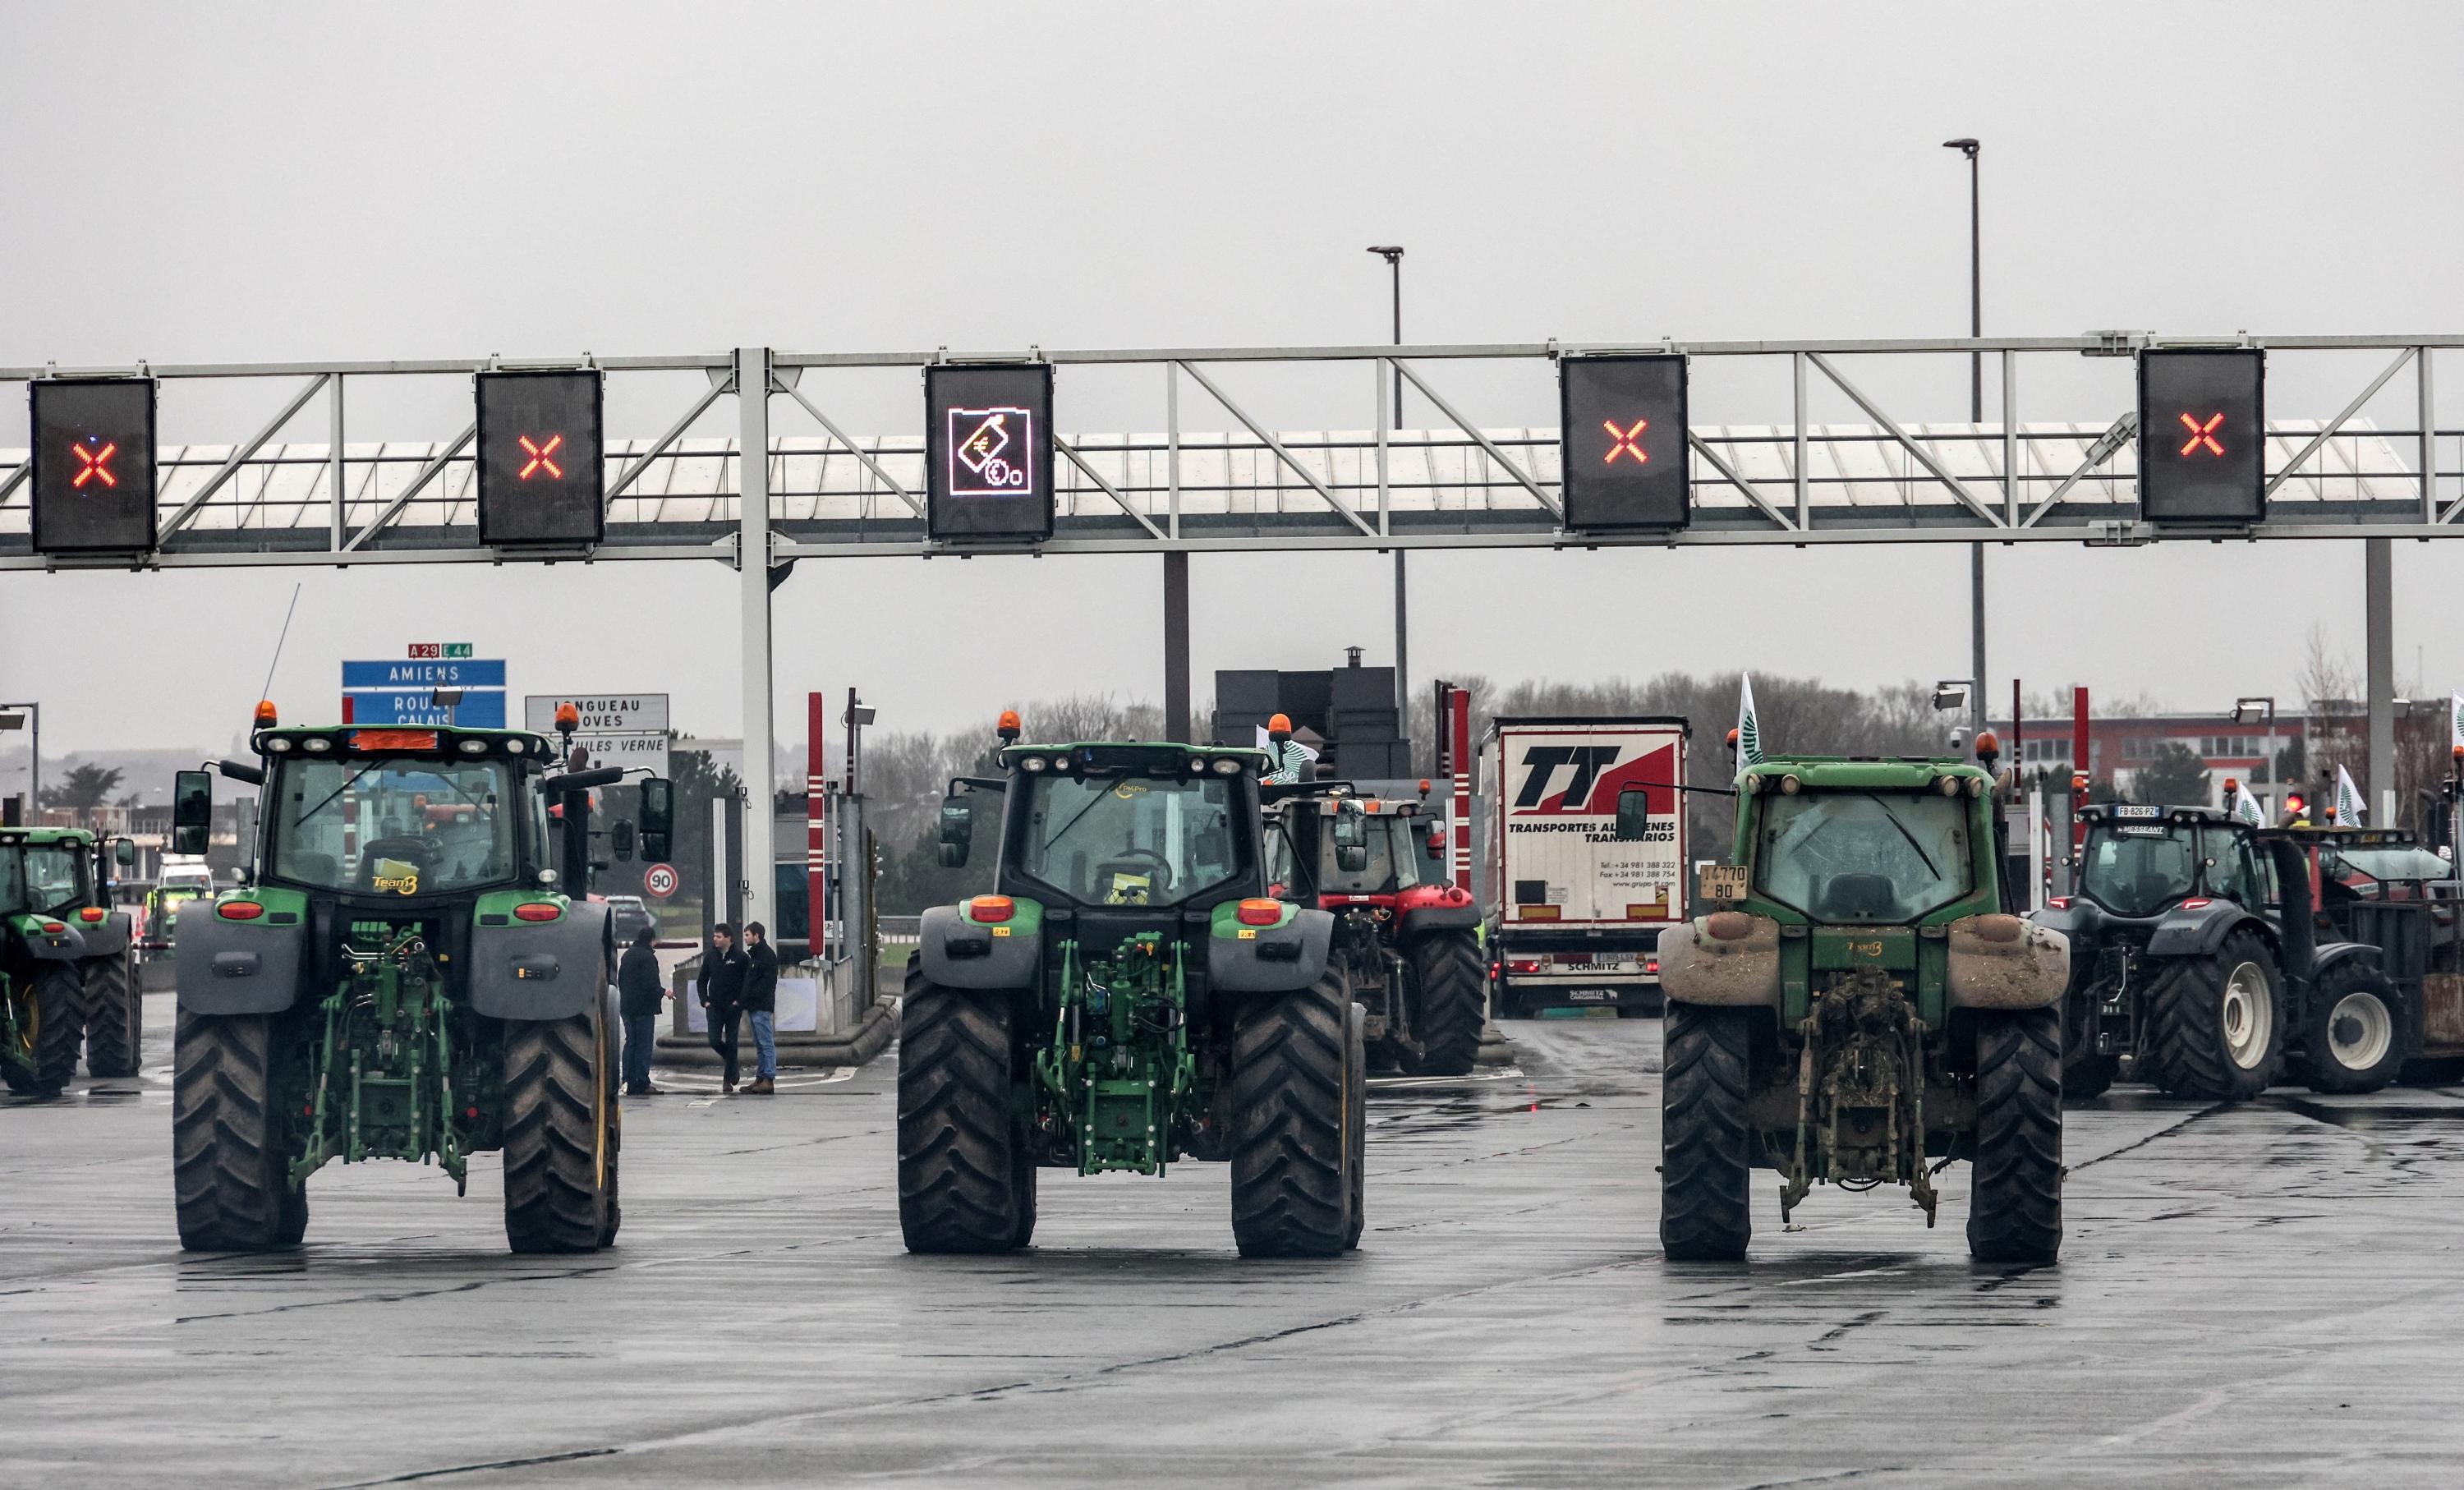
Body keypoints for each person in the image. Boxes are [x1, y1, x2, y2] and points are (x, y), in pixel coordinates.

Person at [617, 925, 667, 1097]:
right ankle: (642, 1082)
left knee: (631, 1043)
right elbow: (651, 984)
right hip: (644, 1008)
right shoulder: (648, 958)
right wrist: (664, 992)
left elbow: (620, 980)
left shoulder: (627, 955)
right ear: (652, 940)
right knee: (644, 1046)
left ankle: (628, 1081)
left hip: (627, 1006)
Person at [697, 922, 747, 1094]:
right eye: (714, 936)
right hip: (715, 1007)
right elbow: (702, 980)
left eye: (718, 936)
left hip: (733, 1007)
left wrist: (739, 1001)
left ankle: (728, 1079)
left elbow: (746, 982)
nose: (715, 940)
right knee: (714, 1040)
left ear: (728, 938)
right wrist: (705, 1001)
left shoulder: (740, 957)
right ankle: (733, 1062)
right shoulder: (711, 957)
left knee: (732, 1041)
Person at [740, 921, 779, 1095]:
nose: (745, 938)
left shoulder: (765, 955)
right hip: (755, 1005)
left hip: (761, 1005)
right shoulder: (756, 955)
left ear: (757, 936)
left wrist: (750, 996)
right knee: (759, 1043)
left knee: (766, 1043)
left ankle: (768, 1078)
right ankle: (761, 1077)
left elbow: (765, 983)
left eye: (748, 935)